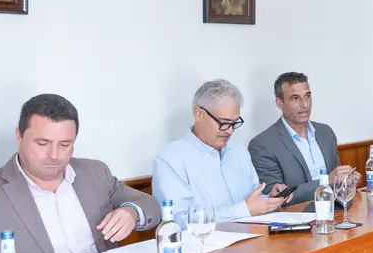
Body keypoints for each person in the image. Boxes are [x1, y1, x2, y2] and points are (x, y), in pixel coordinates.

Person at [0, 94, 158, 253]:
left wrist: (131, 211)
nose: (54, 155)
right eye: (43, 143)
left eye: (65, 145)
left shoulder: (94, 173)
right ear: (19, 136)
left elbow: (151, 206)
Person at [153, 79, 289, 222]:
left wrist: (269, 198)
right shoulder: (170, 159)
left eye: (234, 123)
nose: (229, 131)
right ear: (198, 114)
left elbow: (251, 200)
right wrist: (243, 210)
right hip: (204, 242)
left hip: (251, 237)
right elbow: (179, 221)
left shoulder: (238, 150)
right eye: (224, 123)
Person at [248, 72, 360, 205]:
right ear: (279, 103)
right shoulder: (263, 144)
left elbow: (337, 181)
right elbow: (277, 198)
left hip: (336, 211)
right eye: (295, 98)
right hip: (296, 218)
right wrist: (327, 181)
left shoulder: (326, 132)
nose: (304, 105)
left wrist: (347, 180)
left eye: (307, 96)